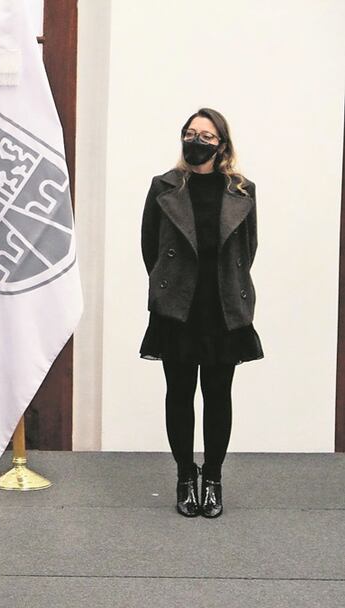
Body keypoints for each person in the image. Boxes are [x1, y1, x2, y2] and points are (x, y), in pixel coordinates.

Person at [140, 107, 262, 519]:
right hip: (179, 307)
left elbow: (249, 249)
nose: (196, 141)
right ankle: (182, 477)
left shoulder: (242, 190)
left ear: (221, 144)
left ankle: (212, 478)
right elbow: (149, 247)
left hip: (223, 308)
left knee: (218, 395)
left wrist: (230, 287)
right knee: (178, 395)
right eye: (191, 133)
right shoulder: (164, 187)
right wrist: (168, 286)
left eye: (206, 136)